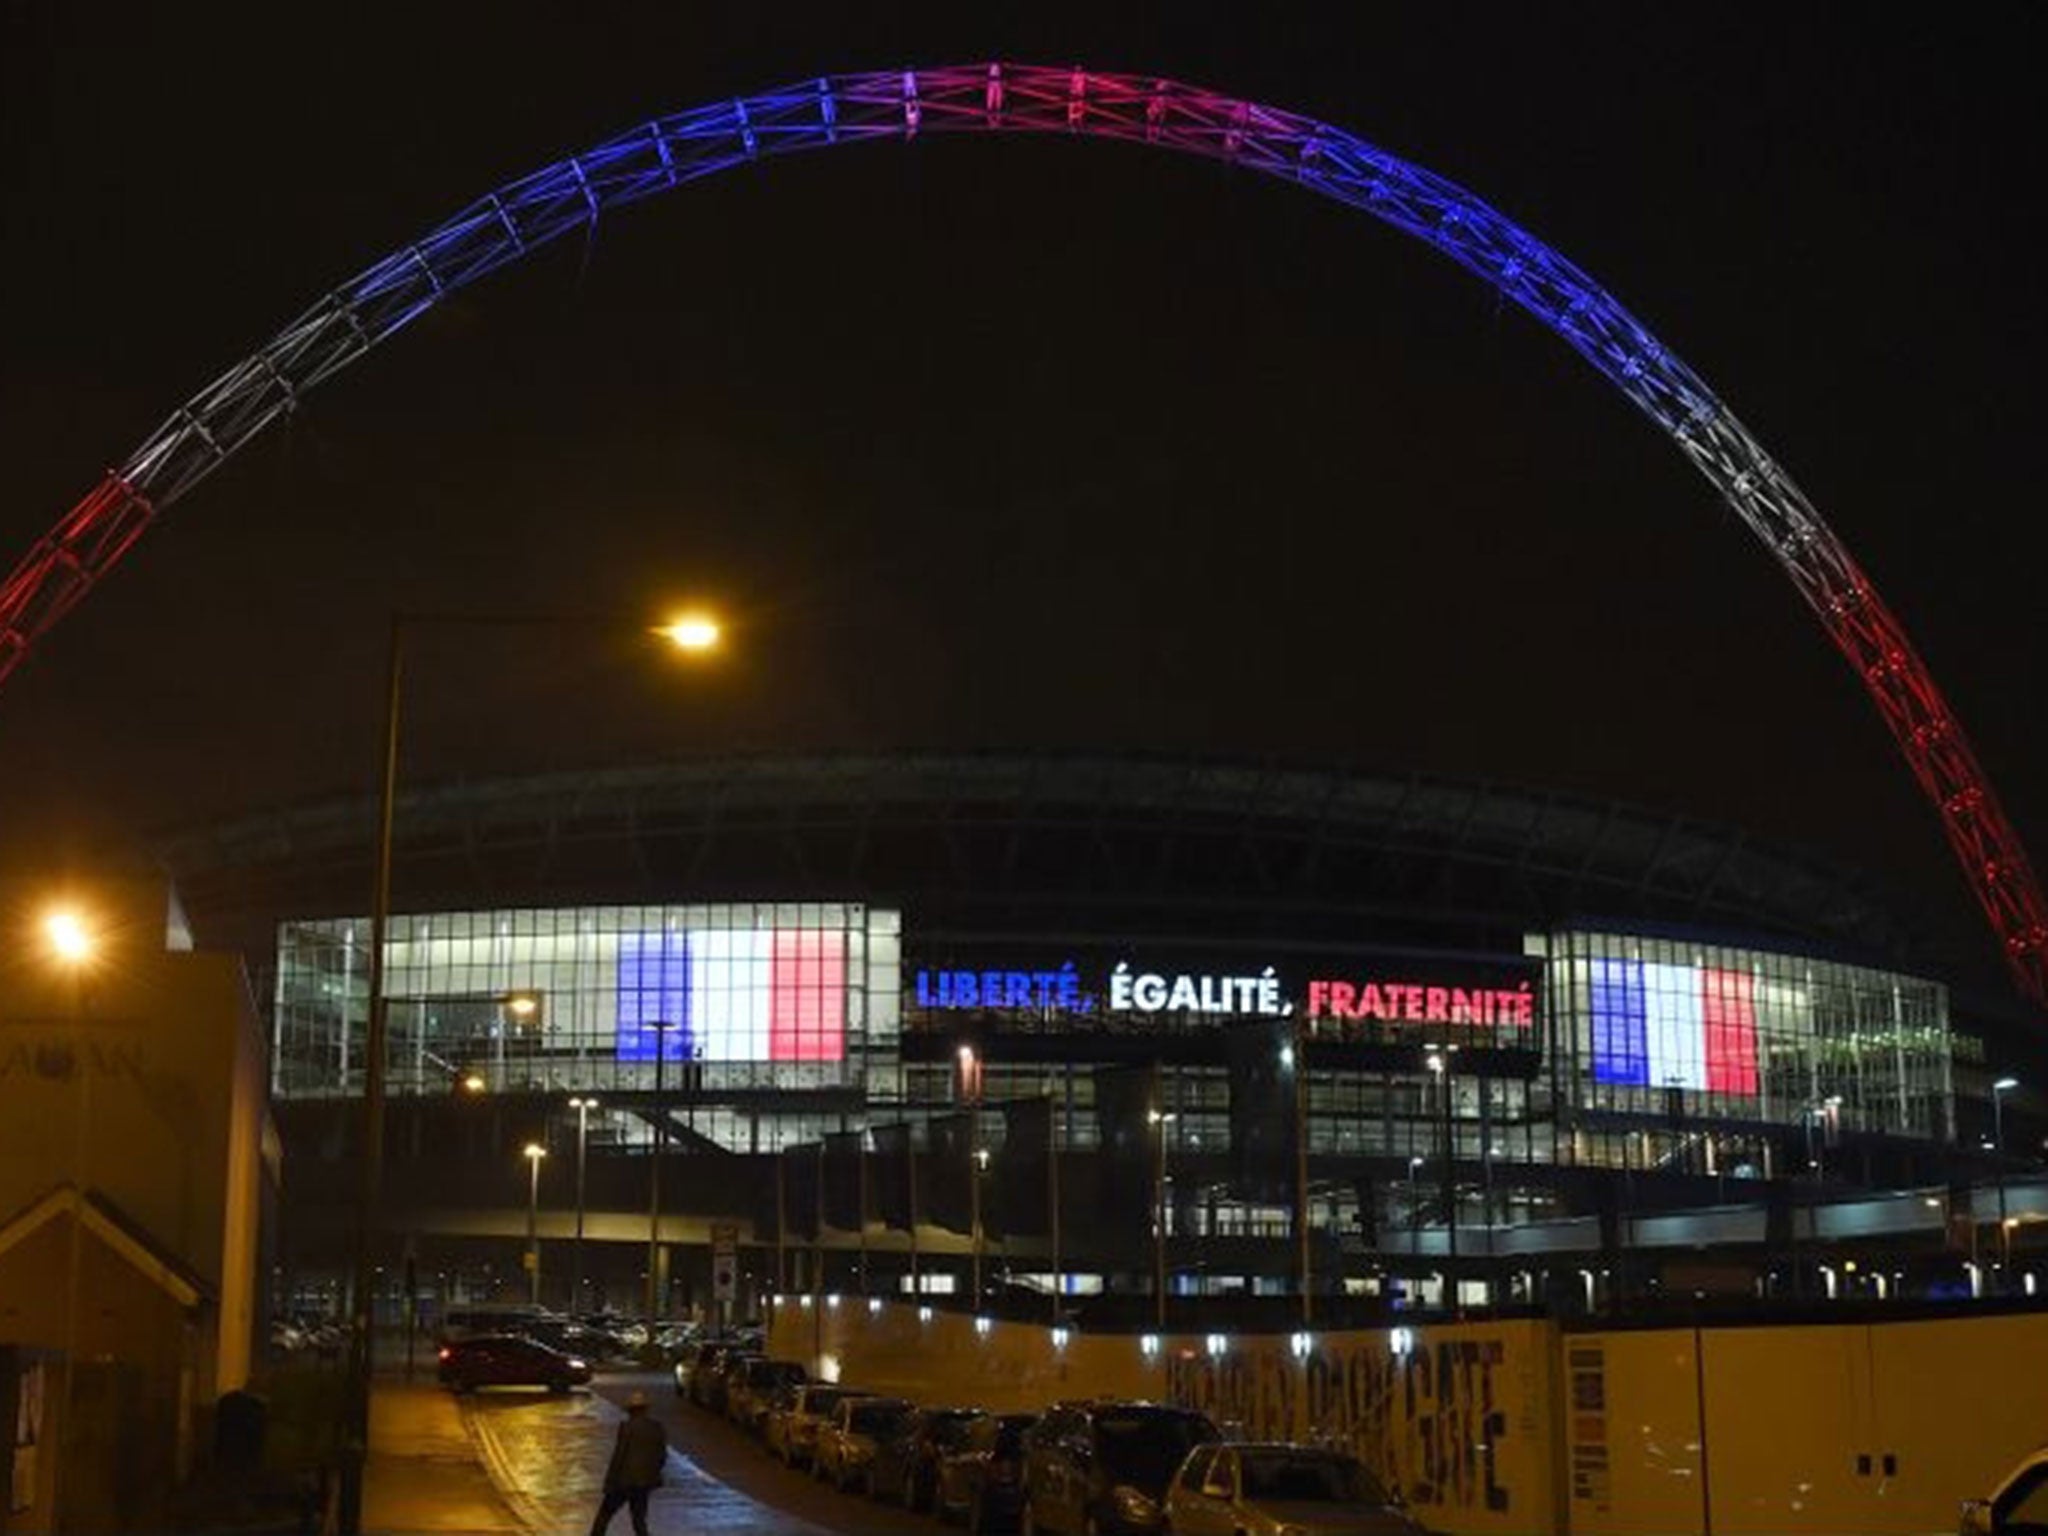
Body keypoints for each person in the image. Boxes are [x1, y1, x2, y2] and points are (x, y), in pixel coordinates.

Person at [589, 1391, 668, 1536]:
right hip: (644, 1482)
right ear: (646, 1409)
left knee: (604, 1516)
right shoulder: (657, 1427)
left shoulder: (627, 1427)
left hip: (623, 1482)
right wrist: (652, 1474)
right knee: (639, 1520)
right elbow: (662, 1456)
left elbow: (619, 1456)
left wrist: (609, 1481)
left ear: (630, 1410)